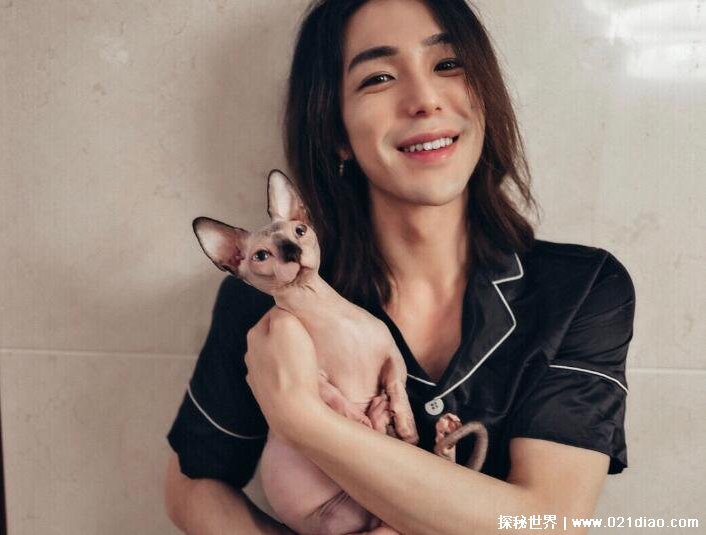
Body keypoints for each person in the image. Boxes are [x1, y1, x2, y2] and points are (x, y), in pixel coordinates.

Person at [164, 0, 636, 533]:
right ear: (336, 130)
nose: (425, 100)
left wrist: (302, 418)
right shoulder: (265, 289)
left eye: (448, 64)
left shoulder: (583, 288)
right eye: (378, 77)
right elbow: (192, 485)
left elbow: (548, 522)